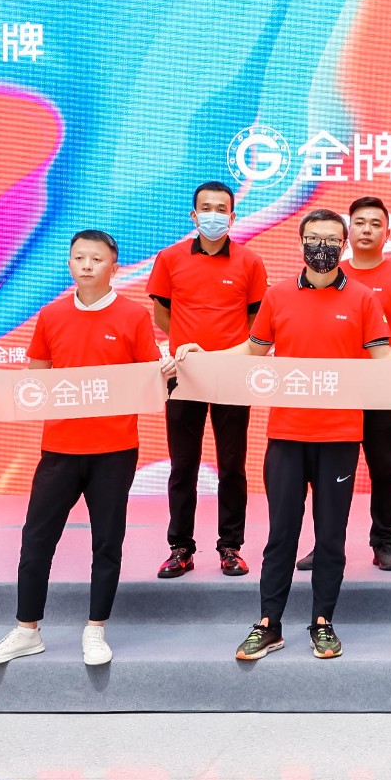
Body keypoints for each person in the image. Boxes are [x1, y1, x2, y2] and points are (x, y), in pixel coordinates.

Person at [179, 210, 391, 662]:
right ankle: (269, 624)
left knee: (331, 536)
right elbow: (252, 351)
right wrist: (204, 357)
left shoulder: (362, 298)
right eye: (314, 238)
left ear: (343, 245)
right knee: (281, 533)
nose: (323, 247)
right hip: (286, 435)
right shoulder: (277, 296)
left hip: (340, 435)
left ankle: (322, 622)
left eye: (332, 240)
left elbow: (384, 360)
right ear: (300, 243)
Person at [0, 230, 171, 668]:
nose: (86, 265)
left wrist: (165, 371)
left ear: (114, 267)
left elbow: (147, 378)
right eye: (79, 257)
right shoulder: (51, 314)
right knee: (36, 539)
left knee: (107, 541)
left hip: (115, 449)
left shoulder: (134, 315)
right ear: (69, 264)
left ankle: (95, 628)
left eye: (96, 259)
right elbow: (36, 381)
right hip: (60, 448)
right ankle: (27, 630)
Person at [148, 181, 270, 579]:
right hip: (185, 374)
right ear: (194, 215)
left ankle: (230, 547)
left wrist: (224, 355)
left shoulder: (250, 262)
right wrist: (189, 348)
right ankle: (180, 548)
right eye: (206, 208)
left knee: (232, 464)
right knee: (183, 465)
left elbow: (255, 321)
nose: (213, 215)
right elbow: (162, 314)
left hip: (232, 374)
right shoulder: (170, 258)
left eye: (221, 209)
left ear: (232, 217)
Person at [307, 195, 391, 573]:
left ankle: (384, 541)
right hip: (337, 390)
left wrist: (382, 364)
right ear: (347, 231)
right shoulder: (330, 273)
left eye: (376, 224)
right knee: (328, 471)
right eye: (360, 222)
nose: (367, 229)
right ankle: (325, 543)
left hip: (382, 388)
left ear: (387, 232)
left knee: (385, 469)